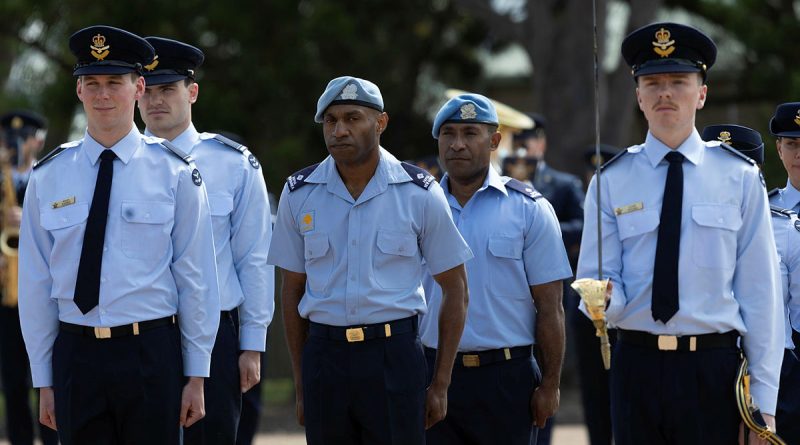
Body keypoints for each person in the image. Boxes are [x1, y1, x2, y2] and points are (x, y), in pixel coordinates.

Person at [577, 22, 782, 445]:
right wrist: (604, 301)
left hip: (713, 367)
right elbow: (595, 279)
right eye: (651, 82)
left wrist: (764, 404)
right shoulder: (611, 181)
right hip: (636, 365)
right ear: (638, 96)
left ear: (702, 93)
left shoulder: (739, 177)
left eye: (678, 81)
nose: (664, 93)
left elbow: (761, 295)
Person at [18, 25, 220, 444]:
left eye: (115, 82)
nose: (103, 94)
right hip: (76, 355)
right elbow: (35, 284)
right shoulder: (49, 175)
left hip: (150, 350)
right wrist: (44, 379)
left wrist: (197, 373)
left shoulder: (176, 173)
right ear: (79, 91)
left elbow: (197, 278)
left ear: (138, 87)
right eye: (91, 83)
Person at [267, 75, 473, 445]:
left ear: (380, 123)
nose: (339, 130)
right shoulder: (299, 193)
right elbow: (291, 290)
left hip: (393, 358)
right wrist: (301, 383)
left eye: (352, 118)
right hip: (324, 359)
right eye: (330, 121)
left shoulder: (418, 192)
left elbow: (455, 288)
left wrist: (441, 382)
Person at [137, 36, 274, 444]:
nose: (157, 101)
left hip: (216, 334)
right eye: (149, 90)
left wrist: (252, 343)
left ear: (192, 92)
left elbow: (255, 258)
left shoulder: (234, 164)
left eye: (169, 89)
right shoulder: (115, 165)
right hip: (140, 335)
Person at [419, 93, 571, 444]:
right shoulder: (417, 207)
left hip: (507, 378)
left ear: (495, 141)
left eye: (470, 133)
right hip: (430, 374)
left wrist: (550, 384)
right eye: (448, 134)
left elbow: (551, 307)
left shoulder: (529, 209)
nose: (458, 144)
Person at [0, 110, 58, 445]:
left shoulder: (51, 178)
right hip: (8, 296)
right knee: (12, 379)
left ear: (38, 140)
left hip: (44, 295)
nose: (15, 145)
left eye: (22, 139)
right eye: (9, 139)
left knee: (47, 378)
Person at [764, 105, 800, 442]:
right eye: (791, 144)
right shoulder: (764, 212)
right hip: (789, 360)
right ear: (778, 148)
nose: (799, 154)